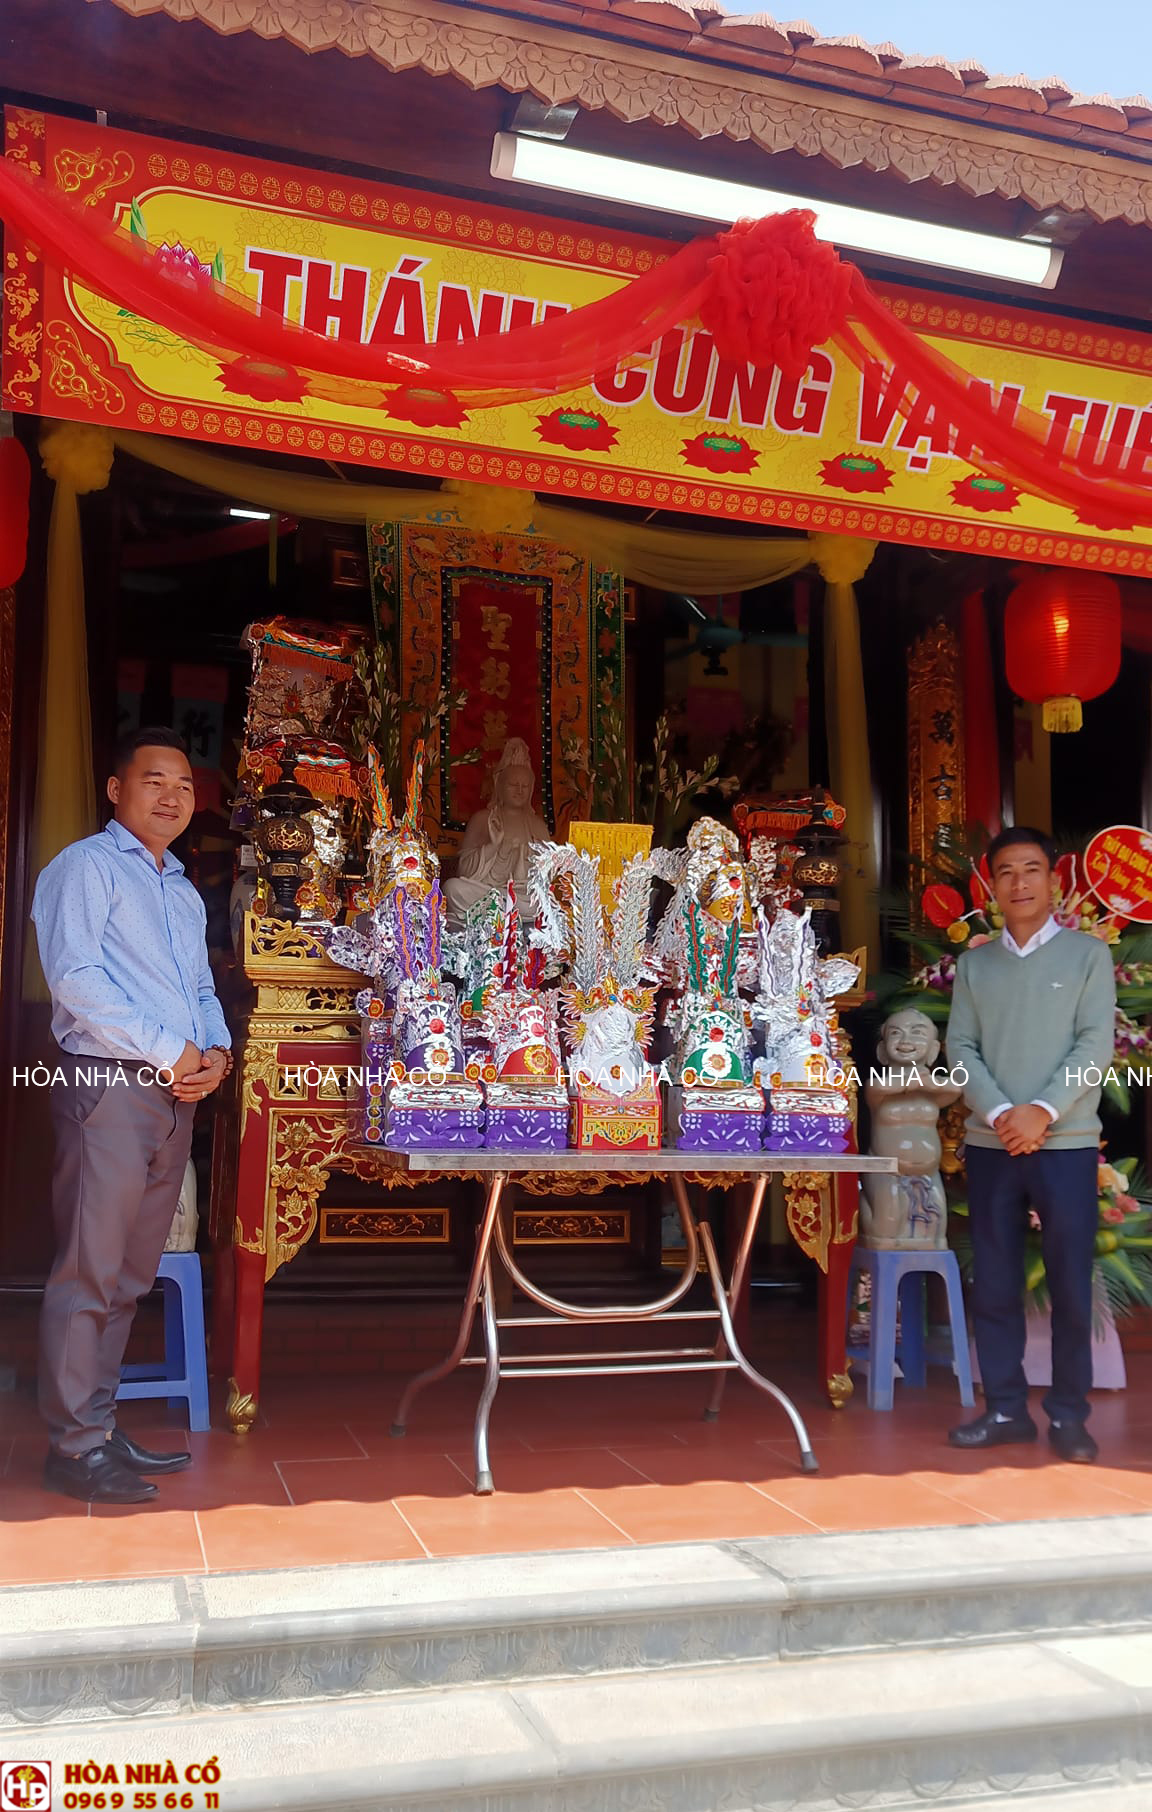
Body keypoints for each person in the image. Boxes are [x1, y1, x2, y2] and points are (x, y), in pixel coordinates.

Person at [30, 728, 232, 1504]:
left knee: (127, 1276)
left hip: (174, 1098)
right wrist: (169, 1049)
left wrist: (215, 1052)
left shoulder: (181, 890)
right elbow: (76, 980)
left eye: (183, 785)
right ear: (116, 791)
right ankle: (72, 1447)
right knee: (90, 1268)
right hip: (110, 1087)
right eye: (154, 781)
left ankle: (98, 1423)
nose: (172, 797)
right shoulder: (85, 867)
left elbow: (200, 988)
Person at [946, 825, 1115, 1464]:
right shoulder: (975, 964)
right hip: (993, 1145)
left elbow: (1095, 1044)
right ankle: (1005, 1409)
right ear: (991, 885)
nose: (1019, 883)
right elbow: (960, 1048)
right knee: (994, 1280)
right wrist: (1000, 1113)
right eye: (1006, 872)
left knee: (1071, 1282)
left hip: (1065, 1144)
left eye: (1032, 869)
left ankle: (1069, 1415)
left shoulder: (1087, 956)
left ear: (1054, 880)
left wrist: (1042, 1112)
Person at [444, 738, 550, 924]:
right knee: (452, 888)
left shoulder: (538, 826)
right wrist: (493, 847)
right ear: (499, 786)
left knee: (542, 902)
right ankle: (502, 910)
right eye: (513, 785)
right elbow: (464, 871)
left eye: (525, 786)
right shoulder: (482, 819)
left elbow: (547, 877)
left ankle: (501, 910)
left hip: (522, 898)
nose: (519, 791)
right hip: (488, 892)